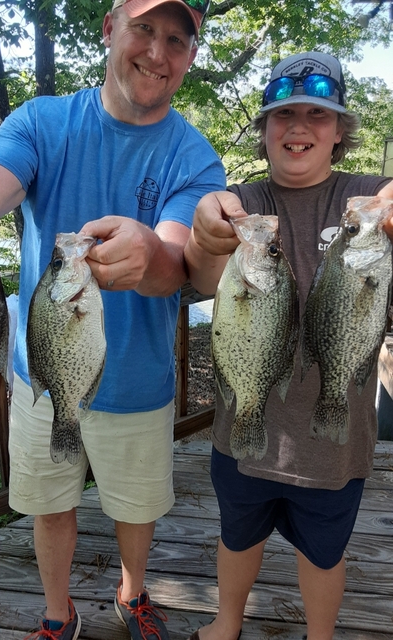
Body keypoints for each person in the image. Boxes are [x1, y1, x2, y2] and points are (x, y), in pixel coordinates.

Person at [0, 1, 225, 639]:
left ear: (191, 57)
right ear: (110, 29)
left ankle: (132, 593)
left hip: (139, 382)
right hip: (40, 376)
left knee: (135, 511)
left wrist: (153, 255)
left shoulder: (195, 158)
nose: (157, 53)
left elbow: (177, 263)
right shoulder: (42, 122)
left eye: (177, 39)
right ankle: (59, 614)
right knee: (48, 506)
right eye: (143, 29)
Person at [184, 51, 393, 640]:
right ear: (264, 131)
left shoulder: (368, 201)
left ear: (340, 133)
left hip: (336, 445)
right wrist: (204, 234)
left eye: (318, 115)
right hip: (245, 425)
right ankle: (227, 623)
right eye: (283, 115)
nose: (299, 126)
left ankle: (319, 635)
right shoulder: (240, 205)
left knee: (324, 553)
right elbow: (203, 278)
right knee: (236, 535)